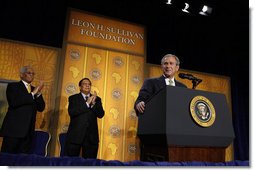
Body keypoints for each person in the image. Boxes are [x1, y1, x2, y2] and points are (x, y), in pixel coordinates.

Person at [0, 66, 45, 154]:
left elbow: (41, 108)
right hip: (13, 131)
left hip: (28, 132)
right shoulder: (13, 86)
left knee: (22, 161)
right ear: (22, 75)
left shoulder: (35, 89)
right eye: (29, 73)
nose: (31, 75)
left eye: (33, 74)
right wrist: (32, 94)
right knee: (7, 158)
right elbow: (14, 102)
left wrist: (38, 93)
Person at [64, 78, 105, 159]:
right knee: (71, 163)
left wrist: (93, 105)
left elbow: (101, 114)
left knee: (89, 164)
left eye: (89, 84)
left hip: (91, 138)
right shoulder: (73, 98)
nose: (87, 85)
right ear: (80, 86)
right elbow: (72, 112)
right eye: (84, 83)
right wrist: (87, 103)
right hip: (75, 136)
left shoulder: (97, 99)